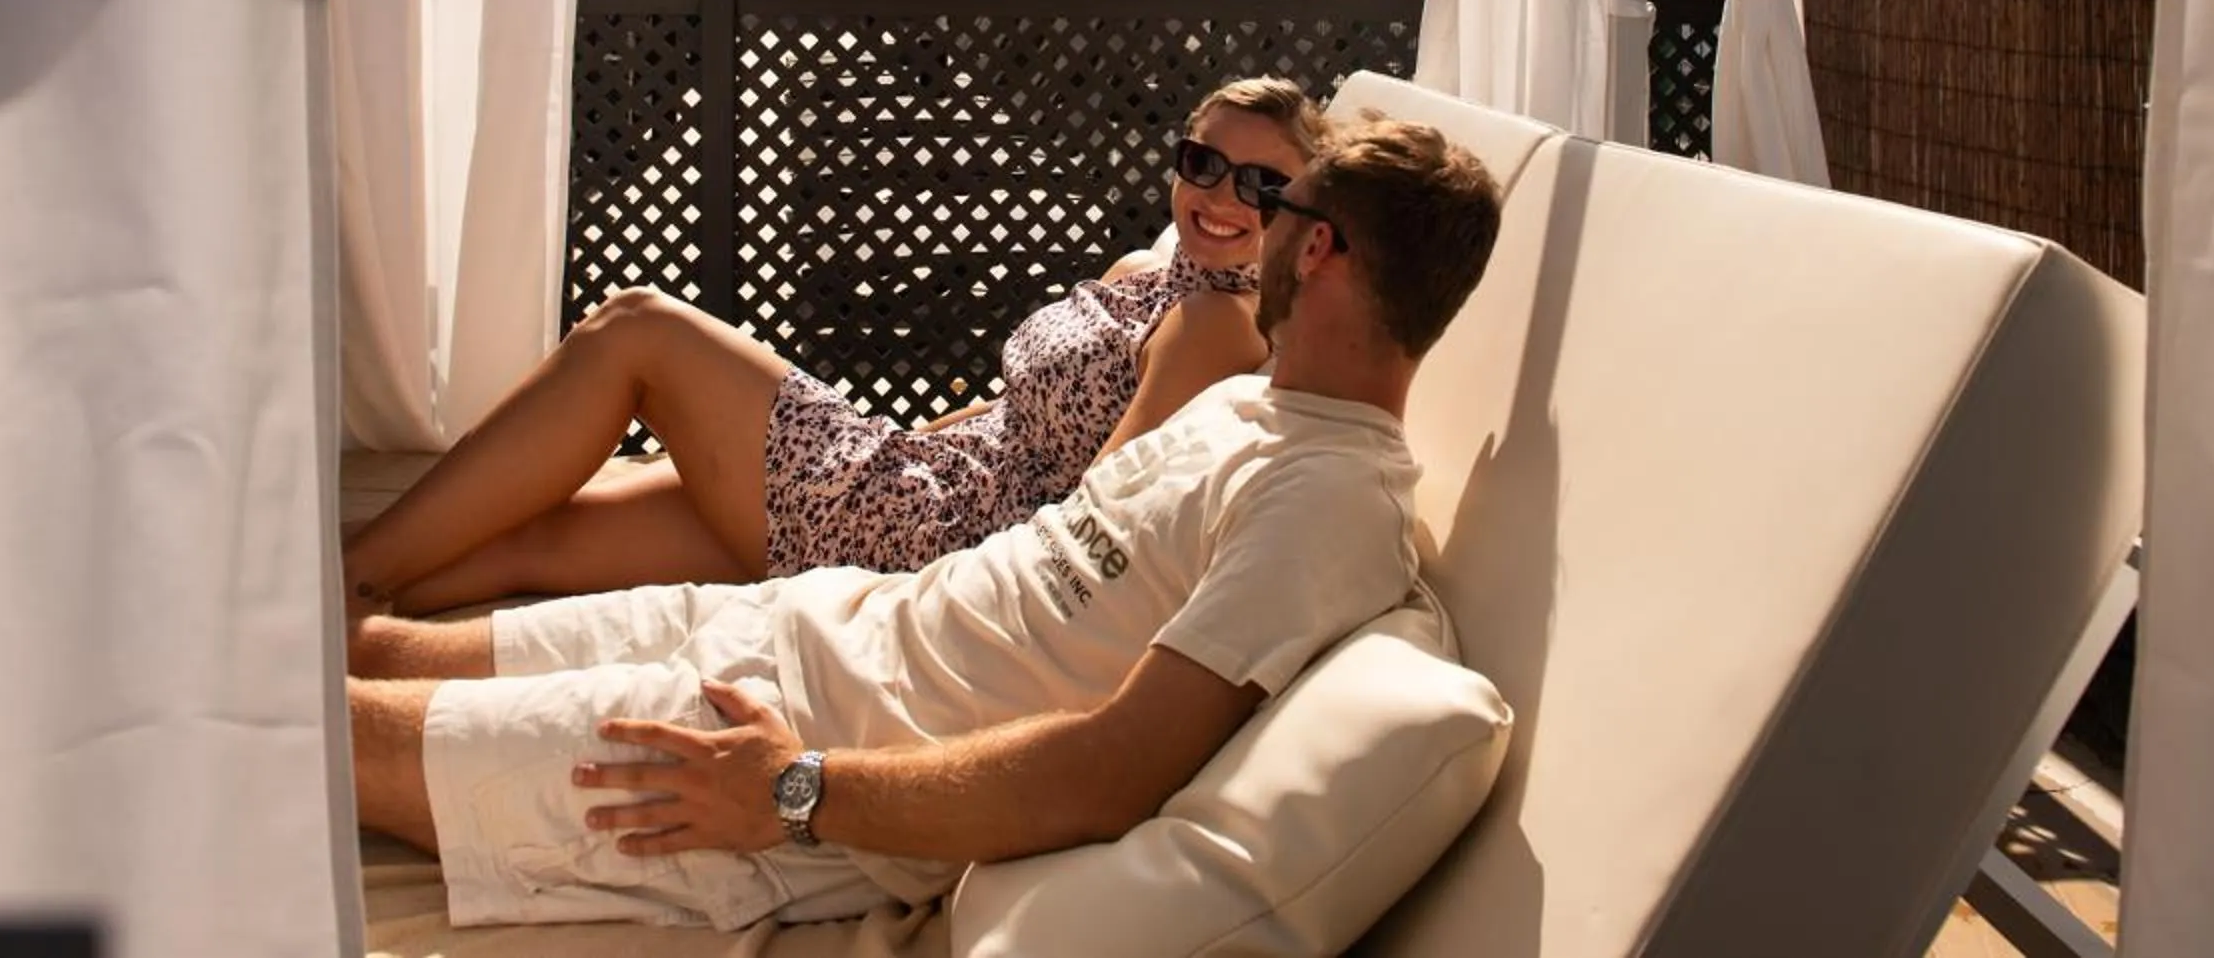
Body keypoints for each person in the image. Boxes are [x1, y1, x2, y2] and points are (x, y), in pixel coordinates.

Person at [344, 118, 1502, 931]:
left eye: (1277, 204)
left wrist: (791, 789)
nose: (1252, 225)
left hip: (785, 745)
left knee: (327, 735)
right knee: (368, 651)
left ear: (1321, 248)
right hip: (805, 622)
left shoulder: (1327, 501)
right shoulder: (1253, 405)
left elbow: (1108, 771)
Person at [344, 78, 1330, 615]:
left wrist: (925, 611)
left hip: (917, 535)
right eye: (1204, 162)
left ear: (1300, 208)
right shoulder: (1146, 272)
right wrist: (912, 442)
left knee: (635, 326)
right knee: (538, 535)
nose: (1219, 197)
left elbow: (1103, 510)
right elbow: (1015, 417)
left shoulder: (1212, 326)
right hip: (912, 476)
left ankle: (325, 592)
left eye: (1259, 184)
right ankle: (334, 626)